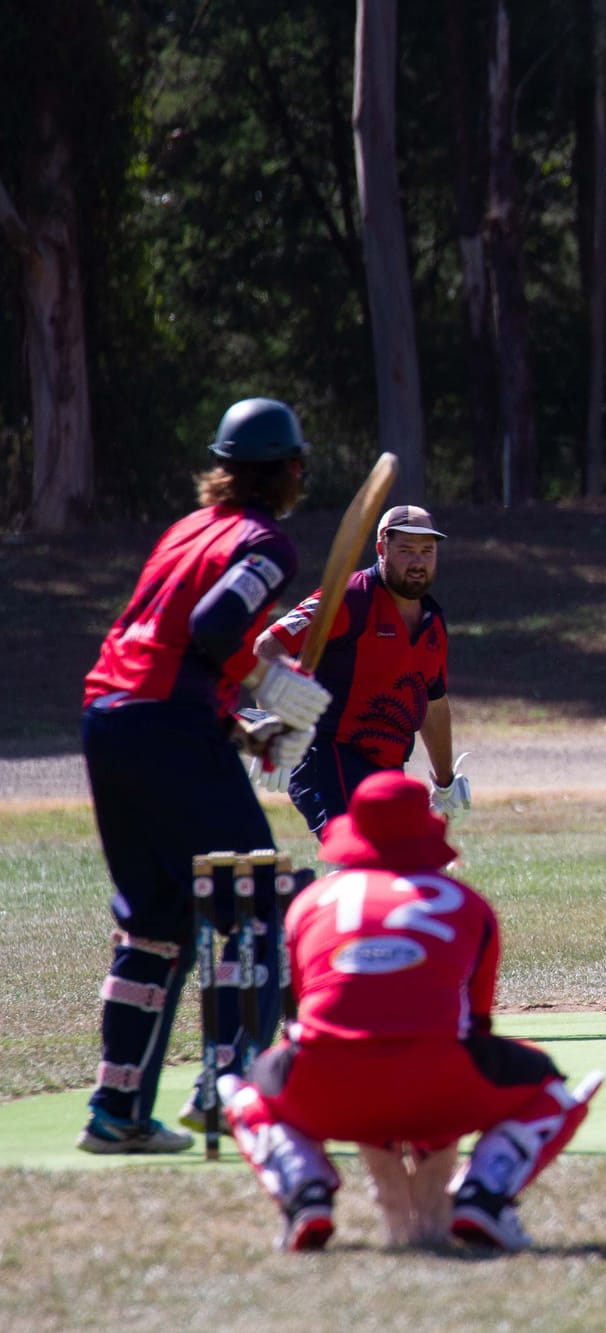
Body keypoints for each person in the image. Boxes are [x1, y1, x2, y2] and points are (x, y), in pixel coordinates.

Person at [76, 398, 333, 1153]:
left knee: (155, 920)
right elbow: (215, 628)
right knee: (261, 904)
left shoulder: (183, 530)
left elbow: (161, 645)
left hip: (110, 718)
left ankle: (116, 1112)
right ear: (288, 470)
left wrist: (237, 725)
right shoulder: (268, 542)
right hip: (168, 727)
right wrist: (268, 679)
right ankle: (230, 1093)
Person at [218, 770, 603, 1252]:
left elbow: (310, 1016)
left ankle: (304, 1188)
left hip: (326, 1086)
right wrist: (430, 1139)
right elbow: (474, 1028)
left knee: (244, 1090)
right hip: (441, 1082)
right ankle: (484, 1194)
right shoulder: (468, 904)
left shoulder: (308, 903)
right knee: (550, 1087)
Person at [256, 504, 466, 836]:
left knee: (402, 865)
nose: (418, 562)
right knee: (360, 854)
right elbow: (268, 647)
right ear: (382, 548)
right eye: (406, 550)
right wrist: (274, 725)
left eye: (427, 551)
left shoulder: (433, 624)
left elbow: (434, 707)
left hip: (388, 765)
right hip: (326, 754)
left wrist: (444, 784)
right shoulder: (349, 598)